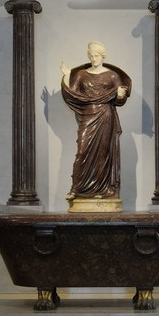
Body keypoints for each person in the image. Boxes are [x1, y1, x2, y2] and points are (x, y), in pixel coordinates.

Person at [60, 40, 131, 203]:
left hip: (105, 116)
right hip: (88, 115)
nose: (94, 58)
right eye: (91, 55)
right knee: (82, 151)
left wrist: (120, 94)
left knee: (103, 154)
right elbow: (72, 94)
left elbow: (120, 99)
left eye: (97, 55)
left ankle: (104, 190)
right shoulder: (81, 75)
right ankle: (76, 189)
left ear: (102, 56)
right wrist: (66, 75)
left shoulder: (112, 76)